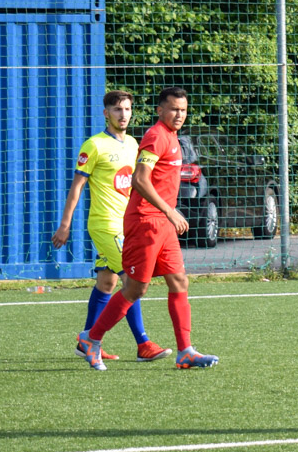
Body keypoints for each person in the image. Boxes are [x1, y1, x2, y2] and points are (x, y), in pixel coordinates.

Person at [78, 87, 219, 371]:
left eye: (183, 110)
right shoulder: (156, 136)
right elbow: (140, 180)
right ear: (160, 110)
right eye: (173, 109)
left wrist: (168, 213)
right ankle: (91, 339)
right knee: (135, 289)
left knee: (179, 282)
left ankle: (185, 351)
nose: (179, 114)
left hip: (162, 223)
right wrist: (169, 210)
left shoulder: (173, 137)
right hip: (146, 222)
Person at [51, 91, 169, 363]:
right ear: (106, 113)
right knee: (133, 281)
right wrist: (65, 225)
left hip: (126, 225)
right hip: (106, 225)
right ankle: (143, 344)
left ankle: (87, 342)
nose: (123, 114)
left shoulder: (133, 143)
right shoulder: (94, 145)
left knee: (107, 282)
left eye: (127, 109)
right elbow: (77, 187)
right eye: (117, 109)